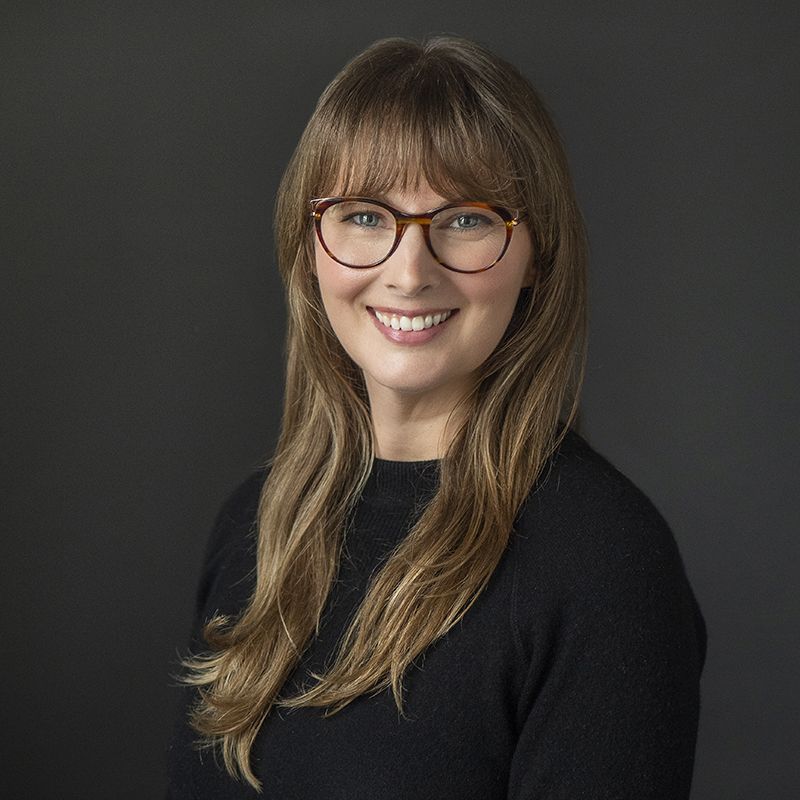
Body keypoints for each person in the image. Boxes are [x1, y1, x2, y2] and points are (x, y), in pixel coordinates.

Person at [166, 35, 706, 799]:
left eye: (464, 220)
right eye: (362, 216)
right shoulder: (254, 525)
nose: (409, 273)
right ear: (308, 245)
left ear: (537, 254)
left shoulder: (606, 568)